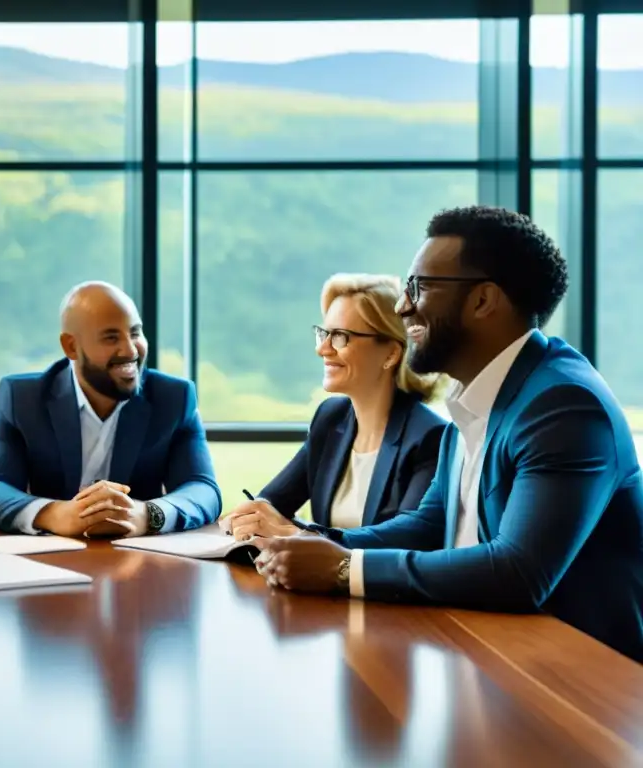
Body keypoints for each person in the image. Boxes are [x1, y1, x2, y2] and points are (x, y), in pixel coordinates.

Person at [253, 206, 643, 664]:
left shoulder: (563, 405)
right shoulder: (474, 395)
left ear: (483, 301)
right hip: (486, 656)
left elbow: (518, 571)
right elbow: (430, 522)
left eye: (419, 287)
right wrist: (309, 540)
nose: (402, 306)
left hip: (575, 681)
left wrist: (343, 568)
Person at [0, 281, 221, 537]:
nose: (130, 350)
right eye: (111, 337)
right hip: (49, 563)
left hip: (137, 564)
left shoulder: (174, 398)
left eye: (135, 333)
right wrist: (55, 514)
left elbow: (203, 489)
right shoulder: (23, 398)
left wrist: (148, 514)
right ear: (71, 346)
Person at [223, 274, 446, 540]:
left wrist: (300, 535)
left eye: (340, 336)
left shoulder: (430, 436)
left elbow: (407, 539)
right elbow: (272, 503)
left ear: (390, 354)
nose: (323, 349)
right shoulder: (330, 418)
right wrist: (253, 516)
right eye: (324, 334)